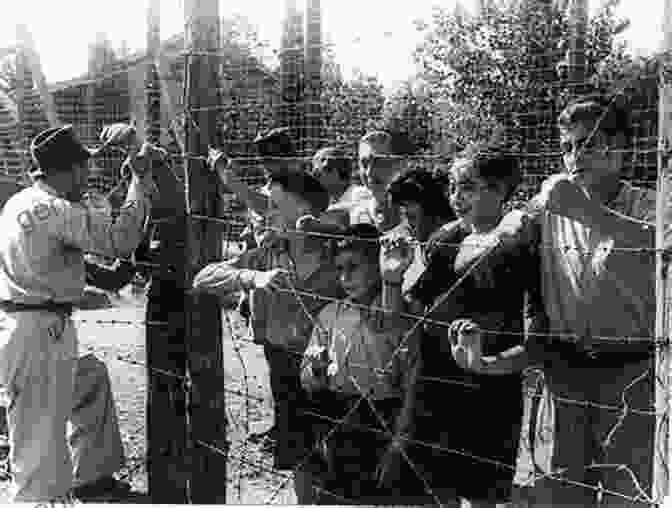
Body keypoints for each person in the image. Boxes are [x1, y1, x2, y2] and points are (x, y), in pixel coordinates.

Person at [492, 94, 657, 506]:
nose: (574, 155)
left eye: (588, 143)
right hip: (563, 373)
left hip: (633, 376)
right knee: (560, 495)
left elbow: (659, 243)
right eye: (567, 146)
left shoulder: (651, 205)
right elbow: (497, 237)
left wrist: (585, 212)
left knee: (629, 496)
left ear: (622, 150)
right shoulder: (551, 204)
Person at [0, 123, 158, 503]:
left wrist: (104, 277)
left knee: (89, 380)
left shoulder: (20, 201)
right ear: (65, 170)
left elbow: (62, 257)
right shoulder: (56, 209)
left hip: (22, 324)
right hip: (39, 334)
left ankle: (92, 475)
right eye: (83, 166)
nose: (87, 174)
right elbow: (120, 240)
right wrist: (138, 178)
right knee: (37, 449)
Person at [400, 146, 547, 507]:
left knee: (483, 493)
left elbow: (536, 339)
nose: (455, 197)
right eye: (453, 186)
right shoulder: (444, 240)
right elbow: (415, 306)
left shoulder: (523, 244)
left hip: (492, 395)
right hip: (436, 388)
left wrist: (487, 364)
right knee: (437, 488)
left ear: (499, 190)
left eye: (467, 186)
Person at [191, 165, 343, 504]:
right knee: (302, 457)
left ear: (303, 210)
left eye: (274, 205)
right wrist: (249, 278)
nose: (265, 212)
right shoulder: (267, 256)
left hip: (338, 377)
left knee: (341, 462)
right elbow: (203, 277)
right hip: (286, 372)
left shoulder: (341, 258)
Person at [300, 223, 421, 504]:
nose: (345, 278)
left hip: (385, 419)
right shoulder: (330, 314)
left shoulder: (401, 314)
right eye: (339, 269)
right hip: (337, 417)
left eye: (353, 267)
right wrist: (315, 368)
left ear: (378, 265)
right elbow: (308, 378)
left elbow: (413, 377)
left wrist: (400, 439)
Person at [355, 130, 414, 232]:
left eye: (379, 161)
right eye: (364, 163)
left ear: (403, 164)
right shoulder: (354, 216)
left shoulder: (421, 216)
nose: (369, 172)